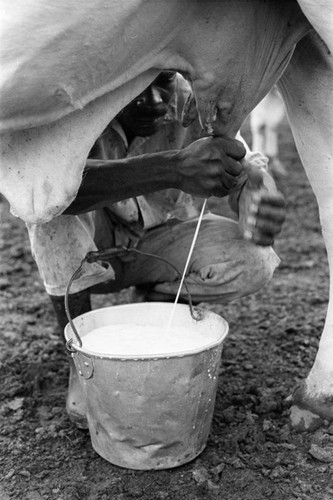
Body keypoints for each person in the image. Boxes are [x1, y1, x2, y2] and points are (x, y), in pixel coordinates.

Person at [26, 72, 285, 427]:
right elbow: (42, 187)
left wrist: (256, 194)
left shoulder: (195, 104)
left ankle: (157, 311)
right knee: (49, 214)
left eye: (163, 81)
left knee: (254, 259)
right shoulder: (71, 107)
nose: (156, 102)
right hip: (90, 255)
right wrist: (171, 169)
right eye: (135, 85)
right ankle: (82, 359)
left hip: (159, 242)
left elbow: (243, 167)